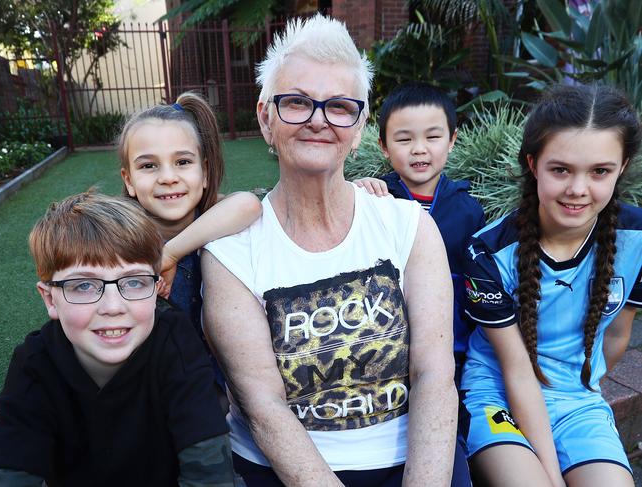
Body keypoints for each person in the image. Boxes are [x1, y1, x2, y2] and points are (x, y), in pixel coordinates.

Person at [202, 14, 461, 487]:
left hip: (413, 461)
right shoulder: (231, 252)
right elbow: (263, 407)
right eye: (297, 102)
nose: (319, 120)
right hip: (282, 471)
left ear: (360, 125)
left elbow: (434, 376)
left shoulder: (408, 227)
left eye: (340, 107)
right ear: (266, 117)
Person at [460, 84, 642, 487]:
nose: (578, 189)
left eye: (600, 171)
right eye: (560, 169)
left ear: (622, 166)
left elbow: (616, 336)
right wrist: (552, 475)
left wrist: (581, 387)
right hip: (498, 394)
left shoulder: (638, 238)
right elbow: (517, 371)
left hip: (577, 402)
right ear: (533, 164)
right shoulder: (487, 253)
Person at [0, 192, 234, 486]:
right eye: (83, 285)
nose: (113, 307)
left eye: (133, 282)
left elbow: (210, 473)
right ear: (50, 299)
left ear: (157, 287)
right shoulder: (34, 364)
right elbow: (12, 472)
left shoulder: (175, 341)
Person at [356, 82, 486, 385]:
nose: (419, 148)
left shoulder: (467, 210)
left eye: (433, 136)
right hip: (384, 347)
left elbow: (476, 283)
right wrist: (356, 193)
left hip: (450, 345)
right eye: (404, 139)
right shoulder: (375, 200)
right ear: (384, 146)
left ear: (452, 140)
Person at [118, 92, 262, 346]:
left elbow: (248, 205)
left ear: (204, 172)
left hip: (218, 369)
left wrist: (171, 253)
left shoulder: (213, 214)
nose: (168, 177)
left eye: (183, 162)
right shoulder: (119, 238)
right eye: (149, 166)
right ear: (129, 180)